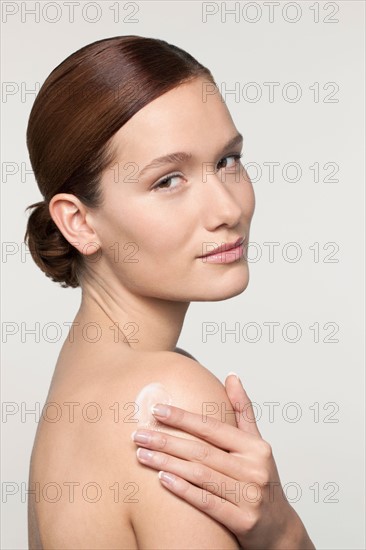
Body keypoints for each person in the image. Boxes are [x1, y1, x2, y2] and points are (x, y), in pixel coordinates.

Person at [24, 35, 315, 549]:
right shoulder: (165, 399)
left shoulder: (77, 388)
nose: (226, 209)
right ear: (78, 222)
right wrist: (283, 534)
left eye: (228, 160)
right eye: (168, 180)